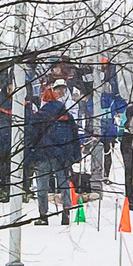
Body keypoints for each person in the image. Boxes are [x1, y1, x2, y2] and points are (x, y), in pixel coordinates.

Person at [25, 85, 81, 224]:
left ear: (44, 100)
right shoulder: (67, 116)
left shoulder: (38, 117)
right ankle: (66, 212)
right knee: (64, 183)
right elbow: (75, 136)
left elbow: (30, 137)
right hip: (63, 155)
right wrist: (76, 154)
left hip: (43, 154)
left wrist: (29, 156)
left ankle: (43, 215)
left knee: (42, 186)